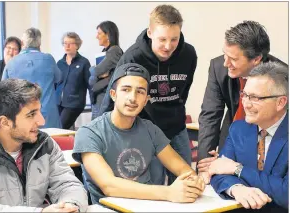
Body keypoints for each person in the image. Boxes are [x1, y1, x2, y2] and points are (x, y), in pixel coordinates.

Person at [73, 63, 205, 204]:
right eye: (126, 90)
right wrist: (168, 192)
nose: (133, 98)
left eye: (140, 92)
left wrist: (194, 182)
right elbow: (109, 186)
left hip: (149, 206)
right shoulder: (89, 133)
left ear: (146, 100)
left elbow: (184, 170)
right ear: (113, 94)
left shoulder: (150, 129)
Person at [98, 4, 197, 185]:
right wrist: (98, 132)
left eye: (174, 39)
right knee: (154, 183)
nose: (168, 46)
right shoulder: (133, 57)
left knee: (186, 180)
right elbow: (112, 97)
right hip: (145, 129)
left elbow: (185, 89)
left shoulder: (188, 54)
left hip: (176, 127)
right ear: (150, 33)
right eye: (162, 39)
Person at [197, 21, 288, 174]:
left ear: (256, 59)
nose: (226, 63)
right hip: (233, 130)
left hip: (268, 139)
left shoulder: (282, 76)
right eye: (224, 54)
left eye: (233, 58)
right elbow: (210, 115)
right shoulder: (218, 67)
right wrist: (205, 165)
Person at [0, 79, 88, 212]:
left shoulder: (45, 145)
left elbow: (67, 184)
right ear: (5, 122)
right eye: (31, 115)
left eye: (39, 112)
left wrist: (70, 204)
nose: (42, 121)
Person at [208, 62, 288, 212]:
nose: (246, 104)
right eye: (244, 95)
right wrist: (237, 188)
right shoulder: (238, 129)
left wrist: (238, 169)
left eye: (255, 98)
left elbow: (286, 193)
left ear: (280, 102)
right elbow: (218, 172)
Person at [2, 27, 62, 128]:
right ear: (39, 43)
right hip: (47, 116)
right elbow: (59, 78)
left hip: (22, 116)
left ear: (22, 43)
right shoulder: (48, 59)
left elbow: (3, 90)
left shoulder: (11, 63)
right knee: (51, 142)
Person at [57, 32, 91, 129]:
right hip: (59, 102)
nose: (67, 46)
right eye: (65, 43)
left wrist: (95, 104)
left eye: (70, 43)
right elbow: (56, 84)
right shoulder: (60, 63)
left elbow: (90, 84)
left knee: (60, 127)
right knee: (54, 127)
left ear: (77, 45)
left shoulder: (84, 62)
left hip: (74, 103)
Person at [89, 21, 123, 120]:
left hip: (104, 95)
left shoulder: (114, 51)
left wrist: (93, 69)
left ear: (108, 35)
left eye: (99, 33)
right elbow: (93, 77)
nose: (96, 36)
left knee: (99, 125)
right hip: (99, 94)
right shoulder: (105, 52)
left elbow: (95, 71)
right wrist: (97, 73)